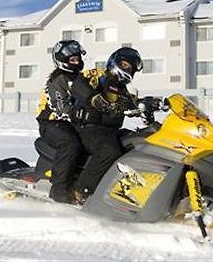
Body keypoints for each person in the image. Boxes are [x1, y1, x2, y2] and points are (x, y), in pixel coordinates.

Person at [69, 47, 144, 201]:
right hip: (87, 129)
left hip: (108, 131)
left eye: (130, 68)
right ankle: (81, 190)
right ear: (114, 61)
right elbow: (76, 84)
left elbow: (130, 105)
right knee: (109, 150)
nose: (127, 69)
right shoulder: (97, 76)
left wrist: (150, 104)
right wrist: (93, 97)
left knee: (138, 141)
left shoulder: (121, 90)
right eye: (124, 65)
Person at [36, 40, 87, 204]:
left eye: (78, 58)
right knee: (70, 144)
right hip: (51, 123)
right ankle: (58, 189)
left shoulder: (80, 78)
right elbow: (60, 106)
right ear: (62, 60)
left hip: (71, 122)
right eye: (73, 60)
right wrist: (75, 112)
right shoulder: (58, 79)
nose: (77, 62)